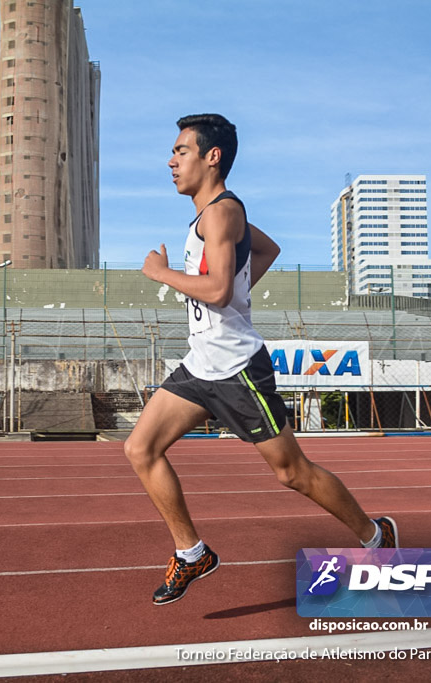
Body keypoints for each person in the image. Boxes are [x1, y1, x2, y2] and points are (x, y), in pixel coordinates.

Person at [126, 113, 397, 606]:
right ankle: (192, 554)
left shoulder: (222, 213)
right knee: (140, 449)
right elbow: (267, 249)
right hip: (201, 365)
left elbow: (218, 288)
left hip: (236, 369)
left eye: (181, 151)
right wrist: (239, 288)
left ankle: (376, 536)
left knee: (292, 473)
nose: (171, 160)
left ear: (213, 157)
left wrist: (160, 273)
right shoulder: (213, 215)